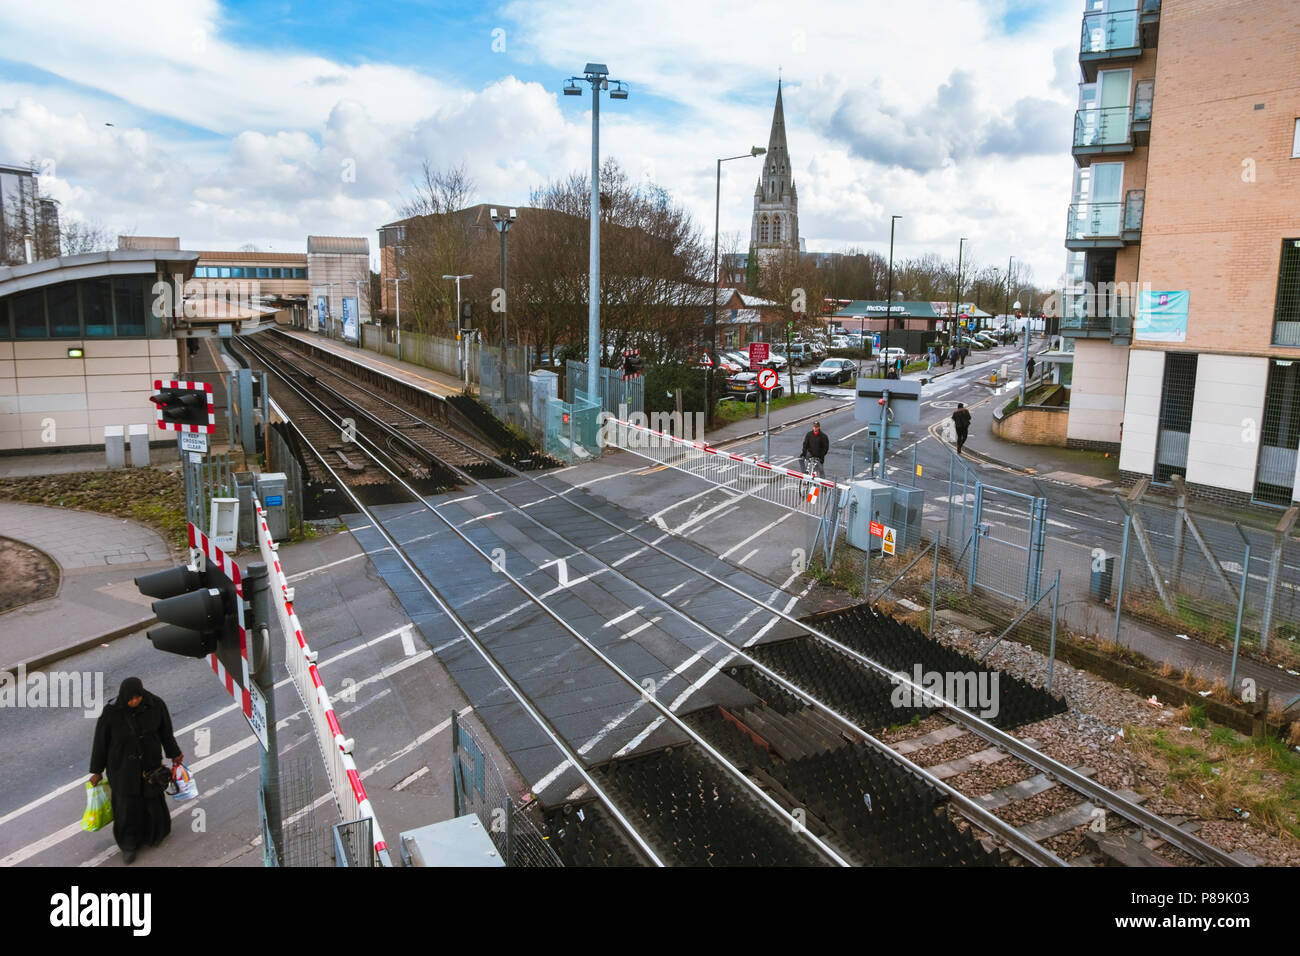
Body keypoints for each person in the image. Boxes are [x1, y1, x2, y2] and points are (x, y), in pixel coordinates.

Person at [89, 677, 183, 864]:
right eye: (130, 699)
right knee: (127, 807)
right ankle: (129, 845)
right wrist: (97, 771)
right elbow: (100, 742)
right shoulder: (111, 712)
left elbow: (165, 732)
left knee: (152, 800)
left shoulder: (155, 705)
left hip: (150, 765)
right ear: (124, 697)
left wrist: (174, 753)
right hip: (122, 768)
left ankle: (155, 834)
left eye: (137, 698)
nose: (134, 702)